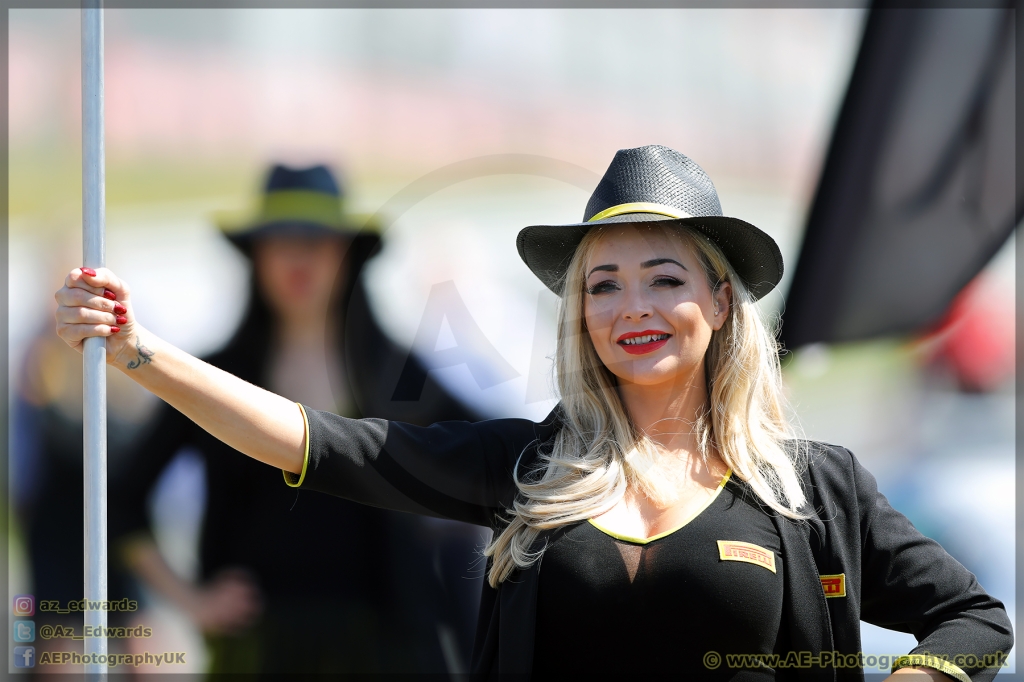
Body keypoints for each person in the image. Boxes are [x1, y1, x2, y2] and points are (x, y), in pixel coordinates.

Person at [55, 146, 1013, 681]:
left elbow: (975, 619)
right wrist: (141, 352)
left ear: (721, 302)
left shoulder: (815, 485)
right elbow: (322, 443)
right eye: (603, 286)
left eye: (663, 278)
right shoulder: (528, 469)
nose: (631, 307)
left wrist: (919, 679)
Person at [106, 164, 485, 675]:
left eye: (319, 241)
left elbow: (491, 458)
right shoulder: (215, 376)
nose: (300, 258)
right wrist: (191, 600)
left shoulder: (397, 370)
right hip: (259, 649)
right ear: (256, 257)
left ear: (347, 257)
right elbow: (121, 500)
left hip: (390, 645)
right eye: (281, 241)